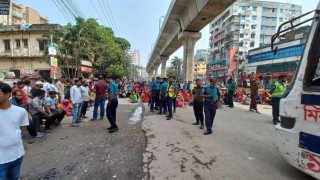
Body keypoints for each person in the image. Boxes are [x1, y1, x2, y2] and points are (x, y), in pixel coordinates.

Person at [0, 83, 29, 180]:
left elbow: (22, 128)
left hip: (17, 154)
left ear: (7, 94)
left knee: (14, 177)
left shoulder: (20, 111)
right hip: (1, 159)